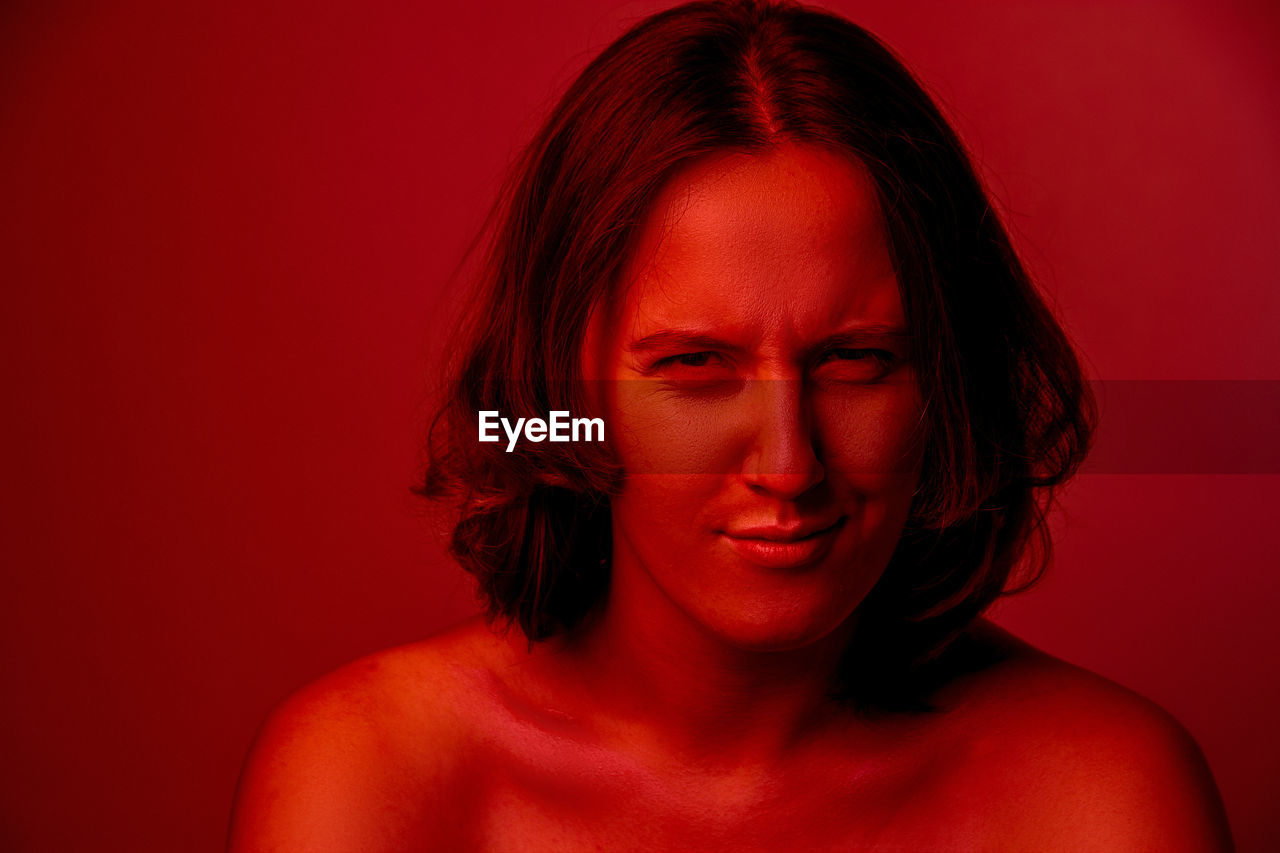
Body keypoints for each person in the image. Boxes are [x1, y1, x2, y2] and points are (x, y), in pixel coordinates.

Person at [228, 1, 1233, 849]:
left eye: (854, 362)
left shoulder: (1099, 801)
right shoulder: (372, 782)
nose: (789, 464)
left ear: (940, 389)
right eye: (694, 368)